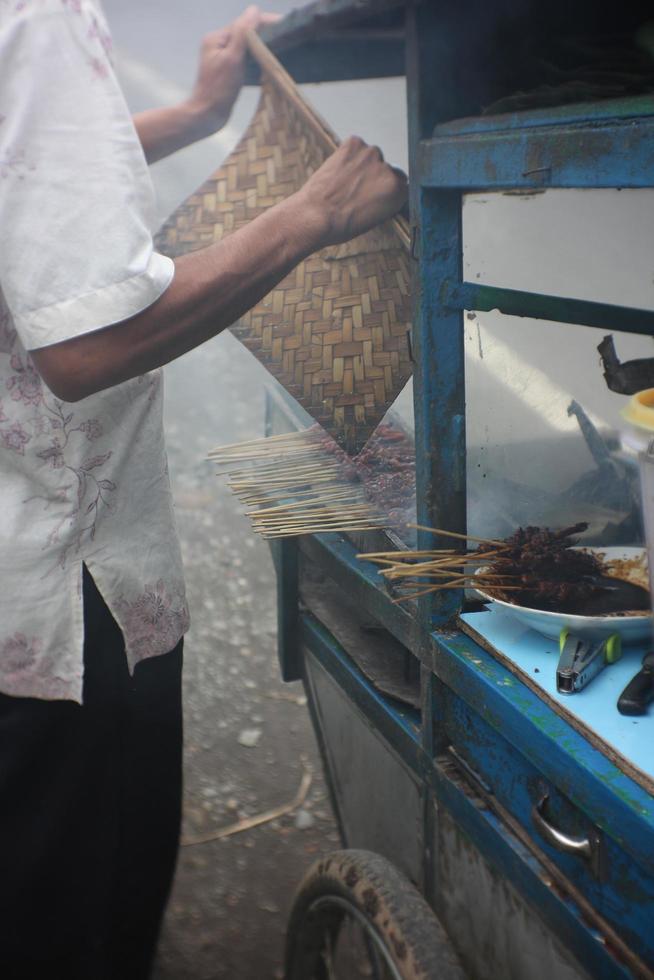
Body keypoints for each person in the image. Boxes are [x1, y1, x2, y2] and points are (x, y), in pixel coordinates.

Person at [0, 2, 407, 978]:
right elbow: (87, 342)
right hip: (61, 606)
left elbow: (30, 179)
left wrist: (190, 115)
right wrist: (313, 215)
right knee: (69, 930)